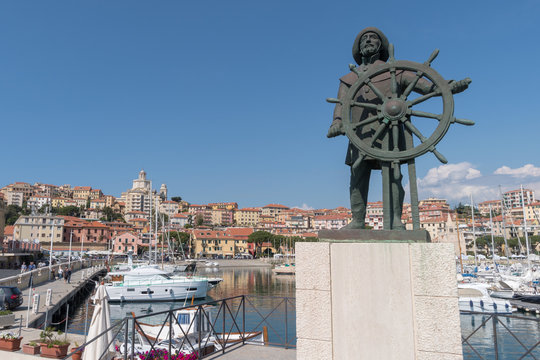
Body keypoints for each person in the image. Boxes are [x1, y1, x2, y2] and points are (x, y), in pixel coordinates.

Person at [327, 27, 469, 229]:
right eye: (364, 39)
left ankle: (395, 220)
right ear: (358, 48)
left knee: (394, 175)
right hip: (360, 133)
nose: (368, 41)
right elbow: (341, 103)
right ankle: (357, 221)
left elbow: (427, 86)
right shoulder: (349, 79)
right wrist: (337, 122)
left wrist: (448, 86)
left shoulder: (396, 71)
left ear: (381, 45)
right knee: (357, 176)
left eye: (373, 38)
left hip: (391, 131)